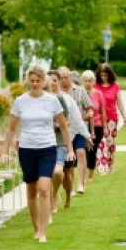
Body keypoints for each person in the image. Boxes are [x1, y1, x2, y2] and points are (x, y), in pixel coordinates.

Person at [1, 65, 74, 243]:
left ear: (44, 82)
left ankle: (43, 232)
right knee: (32, 191)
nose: (34, 84)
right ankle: (36, 227)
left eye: (38, 81)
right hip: (26, 149)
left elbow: (64, 127)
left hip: (48, 148)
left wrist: (70, 149)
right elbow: (11, 129)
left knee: (43, 188)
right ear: (28, 81)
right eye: (32, 81)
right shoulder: (20, 101)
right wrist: (4, 151)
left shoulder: (52, 101)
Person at [58, 67, 93, 202]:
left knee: (81, 153)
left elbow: (89, 108)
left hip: (79, 128)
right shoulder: (56, 94)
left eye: (66, 78)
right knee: (68, 162)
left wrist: (89, 119)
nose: (63, 81)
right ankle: (70, 187)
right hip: (64, 131)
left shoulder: (79, 91)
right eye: (61, 78)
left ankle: (80, 184)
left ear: (70, 78)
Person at [93, 63, 126, 175]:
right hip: (98, 119)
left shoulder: (115, 86)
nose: (103, 77)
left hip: (111, 119)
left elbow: (120, 104)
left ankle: (110, 165)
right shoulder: (95, 86)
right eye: (102, 75)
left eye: (105, 75)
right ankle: (101, 167)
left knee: (110, 144)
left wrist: (125, 118)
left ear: (110, 75)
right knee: (100, 143)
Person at [47, 70, 70, 215]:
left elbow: (67, 120)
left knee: (57, 173)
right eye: (49, 80)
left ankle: (54, 193)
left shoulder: (60, 99)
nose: (52, 82)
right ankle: (50, 202)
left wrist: (57, 125)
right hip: (45, 142)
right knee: (46, 176)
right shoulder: (40, 98)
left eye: (55, 80)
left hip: (60, 141)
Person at [82, 70, 108, 182]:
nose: (87, 83)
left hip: (97, 126)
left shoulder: (98, 94)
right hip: (83, 125)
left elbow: (102, 112)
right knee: (83, 150)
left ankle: (90, 176)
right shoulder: (80, 93)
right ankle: (82, 174)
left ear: (93, 81)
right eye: (85, 81)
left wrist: (105, 127)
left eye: (90, 81)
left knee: (92, 150)